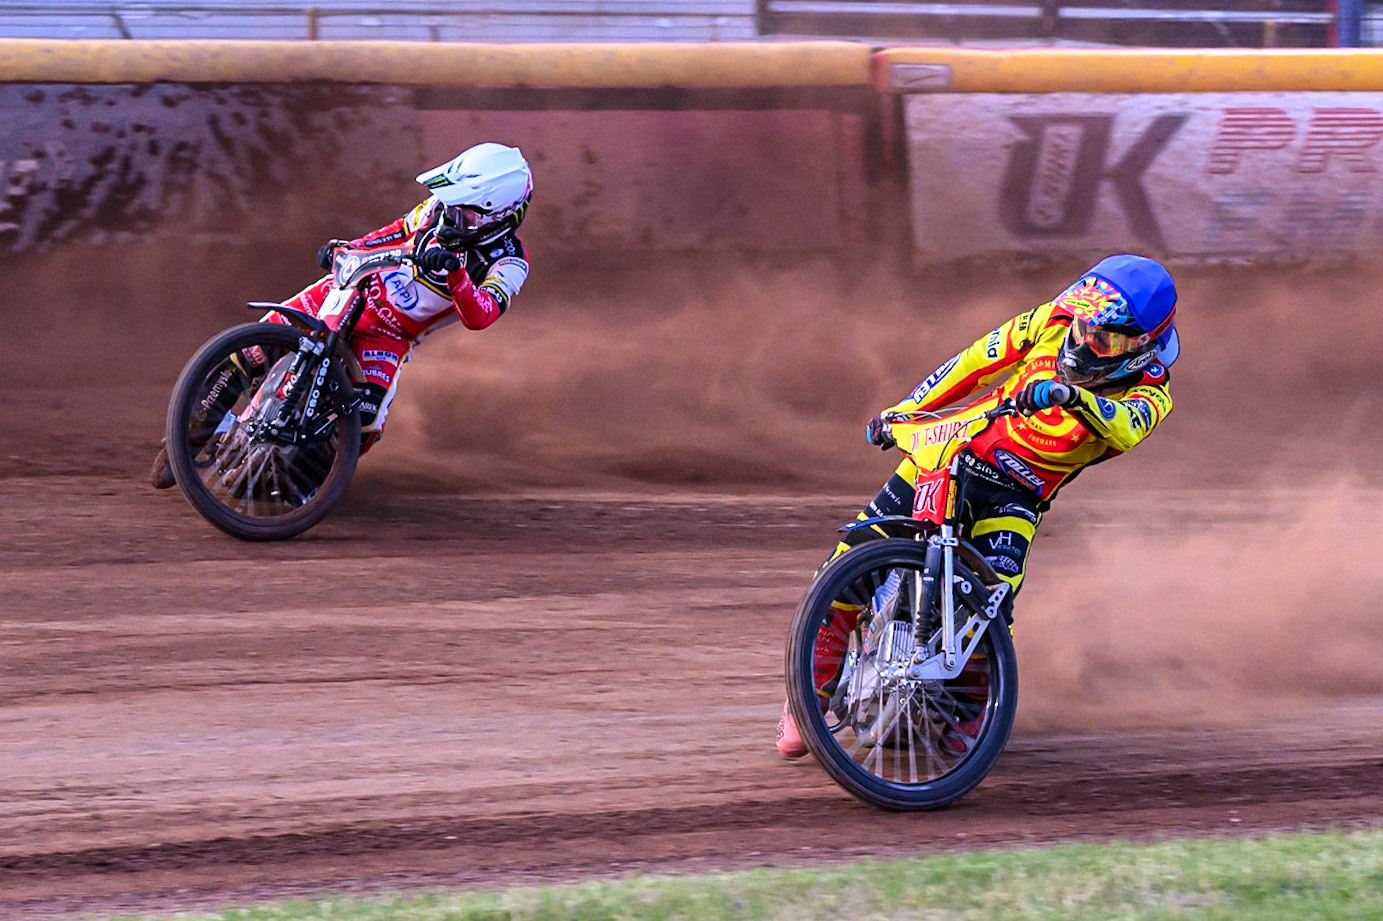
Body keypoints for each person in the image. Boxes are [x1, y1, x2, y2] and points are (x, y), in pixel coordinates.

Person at [775, 254, 1179, 758]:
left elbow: (1122, 425)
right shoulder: (1048, 320)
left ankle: (973, 715)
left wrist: (1072, 398)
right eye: (1081, 326)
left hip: (1015, 496)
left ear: (1140, 347)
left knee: (991, 604)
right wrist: (905, 409)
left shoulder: (1152, 393)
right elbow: (971, 364)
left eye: (1102, 338)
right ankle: (804, 698)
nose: (1082, 341)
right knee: (847, 561)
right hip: (950, 452)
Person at [151, 142, 532, 487]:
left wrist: (456, 274)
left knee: (362, 424)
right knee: (254, 347)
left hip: (389, 336)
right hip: (353, 290)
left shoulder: (511, 262)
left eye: (465, 213)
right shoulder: (437, 209)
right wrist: (349, 249)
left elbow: (481, 316)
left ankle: (289, 485)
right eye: (451, 204)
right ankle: (188, 434)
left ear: (500, 217)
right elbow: (396, 230)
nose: (451, 217)